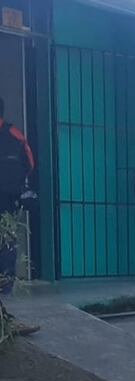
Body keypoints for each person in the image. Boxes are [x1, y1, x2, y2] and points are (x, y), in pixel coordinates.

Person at [0, 97, 38, 336]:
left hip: (5, 198)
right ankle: (5, 292)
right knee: (7, 244)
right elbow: (30, 164)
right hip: (8, 201)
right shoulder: (15, 134)